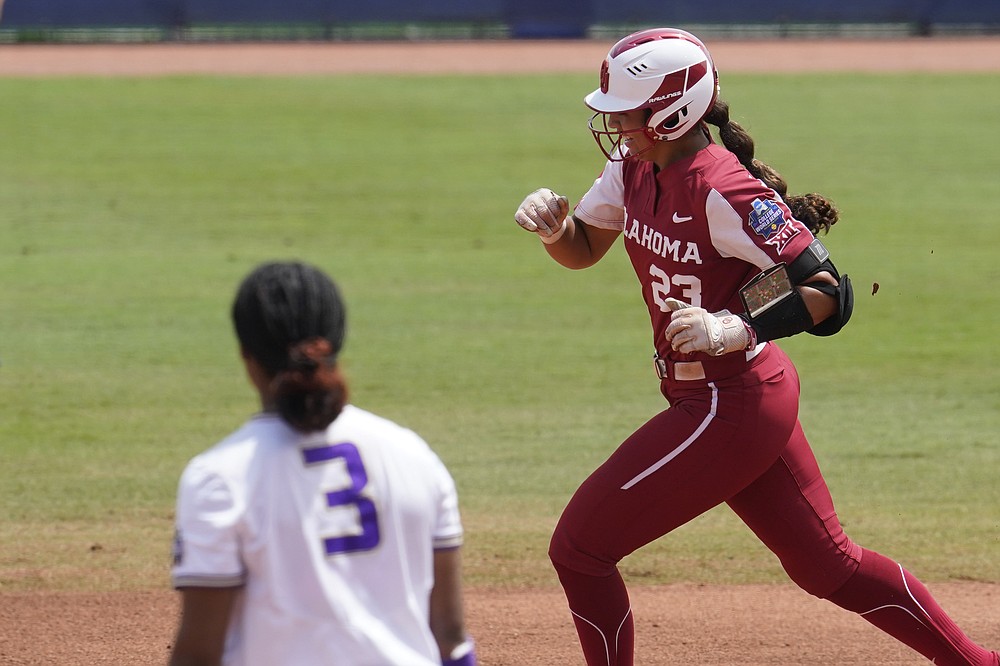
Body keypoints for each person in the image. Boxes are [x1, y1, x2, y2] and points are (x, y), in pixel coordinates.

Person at [513, 27, 998, 666]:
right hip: (725, 396)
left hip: (728, 400)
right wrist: (556, 233)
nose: (615, 123)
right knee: (830, 567)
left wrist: (736, 326)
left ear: (670, 109)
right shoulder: (631, 168)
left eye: (626, 111)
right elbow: (584, 249)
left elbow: (828, 291)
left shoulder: (723, 187)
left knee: (578, 548)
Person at [168, 260, 476, 666]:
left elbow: (198, 657)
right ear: (337, 343)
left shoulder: (220, 479)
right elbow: (451, 640)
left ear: (246, 355)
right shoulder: (414, 457)